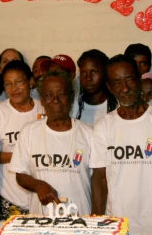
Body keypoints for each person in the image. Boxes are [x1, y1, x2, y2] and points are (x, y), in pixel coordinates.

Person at [91, 55, 152, 225]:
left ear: (139, 79)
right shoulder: (103, 126)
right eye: (117, 83)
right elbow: (100, 179)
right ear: (109, 87)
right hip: (115, 225)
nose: (124, 89)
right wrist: (98, 222)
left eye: (129, 80)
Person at [11, 70, 95, 215]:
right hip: (42, 222)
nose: (55, 99)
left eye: (61, 94)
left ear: (71, 98)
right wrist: (38, 185)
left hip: (81, 220)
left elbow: (98, 181)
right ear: (42, 100)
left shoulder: (89, 133)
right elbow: (20, 175)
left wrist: (97, 216)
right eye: (49, 95)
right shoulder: (29, 131)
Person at [0, 60, 42, 220]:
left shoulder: (44, 108)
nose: (14, 89)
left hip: (42, 195)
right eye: (8, 84)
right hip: (11, 197)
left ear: (31, 82)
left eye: (19, 82)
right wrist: (21, 156)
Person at [72, 49, 117, 126]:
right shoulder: (74, 104)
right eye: (83, 73)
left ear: (105, 72)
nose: (88, 78)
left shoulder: (117, 103)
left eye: (93, 72)